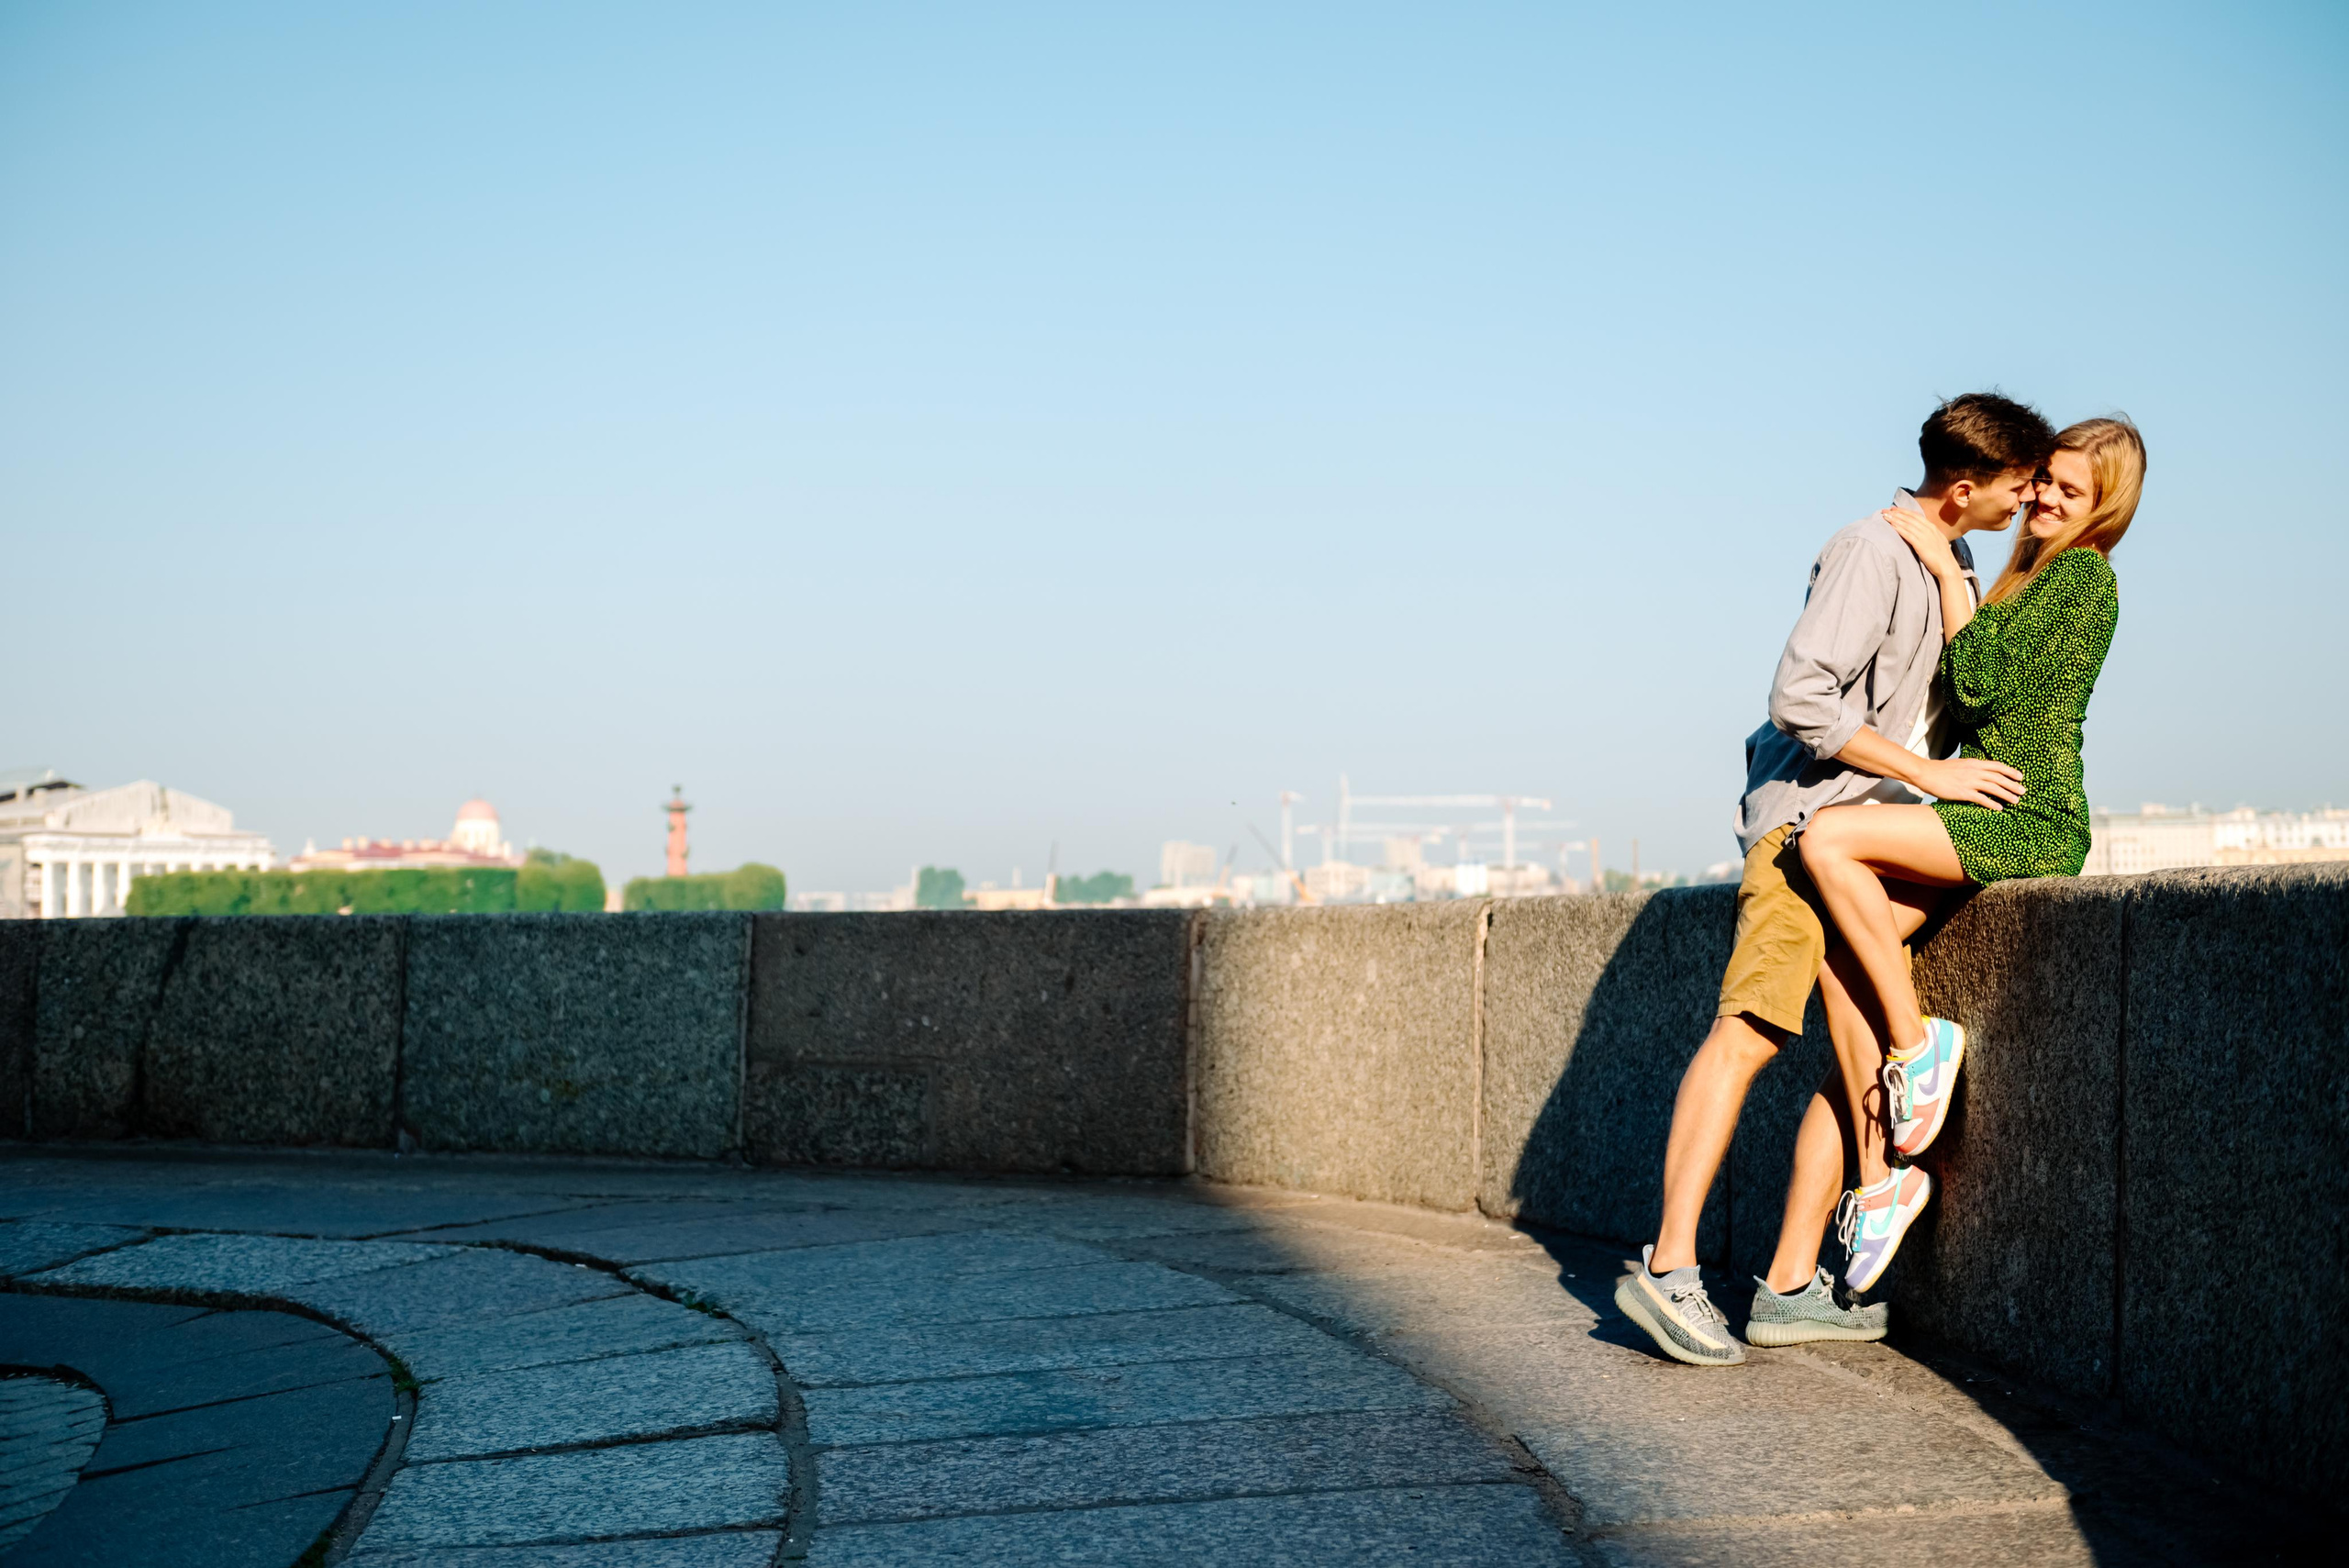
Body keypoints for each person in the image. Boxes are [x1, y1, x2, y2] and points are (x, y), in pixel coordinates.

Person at [1615, 392, 2053, 1368]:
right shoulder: (1869, 547)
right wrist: (1927, 778)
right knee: (1750, 1029)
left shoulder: (1948, 555)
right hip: (1803, 827)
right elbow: (1799, 694)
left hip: (1858, 830)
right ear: (1964, 486)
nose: (2027, 502)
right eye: (2019, 485)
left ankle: (1786, 1285)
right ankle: (1668, 1266)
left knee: (1844, 1034)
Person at [1798, 416, 2142, 1290]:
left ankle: (1918, 1048)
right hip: (1983, 794)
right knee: (1840, 958)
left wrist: (1949, 571)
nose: (2044, 500)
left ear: (2106, 506)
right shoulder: (2025, 575)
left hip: (2029, 811)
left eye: (2070, 491)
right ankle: (1880, 1187)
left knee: (1827, 837)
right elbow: (1969, 681)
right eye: (2044, 482)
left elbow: (1979, 681)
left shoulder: (2085, 581)